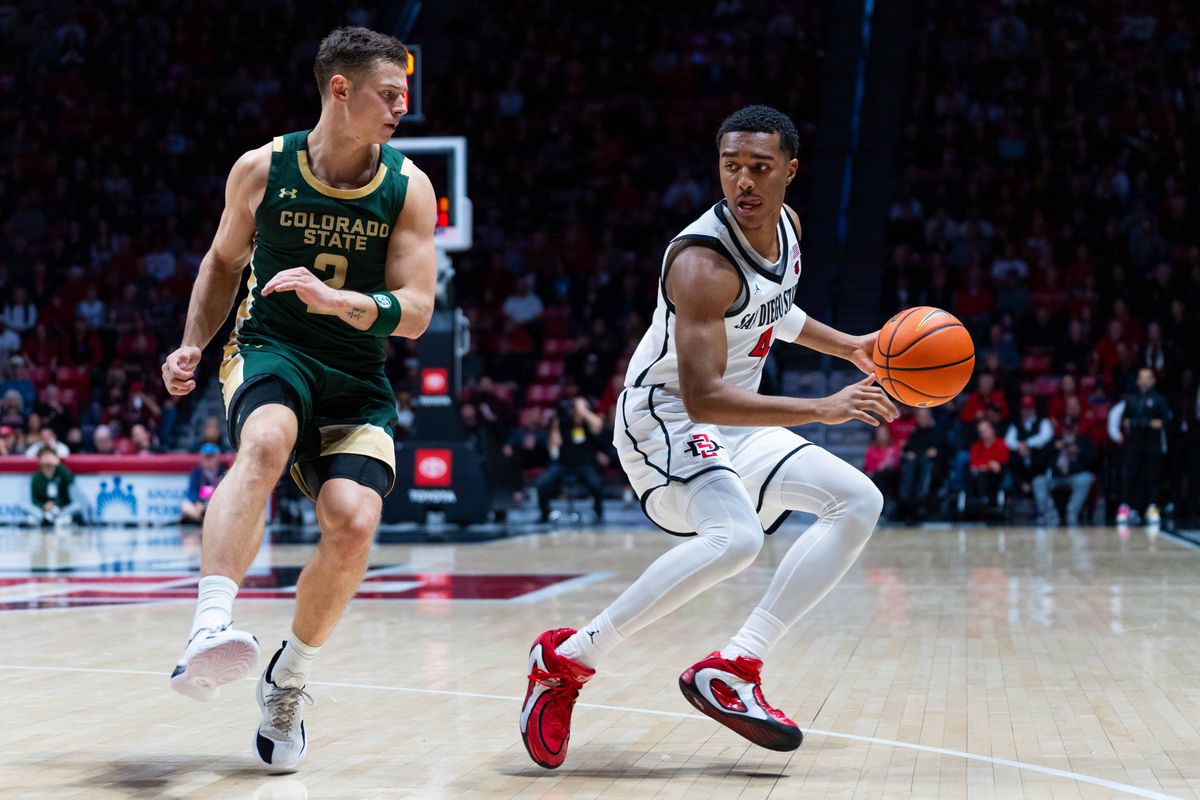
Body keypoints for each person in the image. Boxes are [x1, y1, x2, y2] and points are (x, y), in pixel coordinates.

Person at [519, 106, 895, 768]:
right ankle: (566, 660)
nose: (743, 182)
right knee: (736, 539)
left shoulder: (788, 229)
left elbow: (777, 309)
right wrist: (823, 407)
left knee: (859, 501)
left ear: (790, 172)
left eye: (759, 168)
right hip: (663, 415)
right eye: (731, 167)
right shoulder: (700, 263)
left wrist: (852, 348)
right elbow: (703, 395)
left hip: (733, 419)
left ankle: (736, 665)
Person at [159, 27, 435, 771]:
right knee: (267, 440)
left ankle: (289, 679)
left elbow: (416, 310)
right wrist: (192, 342)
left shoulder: (408, 185)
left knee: (353, 522)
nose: (402, 107)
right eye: (389, 93)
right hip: (271, 348)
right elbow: (221, 262)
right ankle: (210, 624)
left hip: (357, 377)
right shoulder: (261, 168)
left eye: (405, 95)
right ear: (339, 90)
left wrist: (337, 299)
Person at [533, 397, 606, 522]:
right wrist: (556, 424)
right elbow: (553, 447)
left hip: (584, 464)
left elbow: (598, 425)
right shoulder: (563, 421)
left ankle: (598, 512)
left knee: (596, 484)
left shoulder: (588, 423)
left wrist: (583, 411)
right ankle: (545, 514)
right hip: (562, 464)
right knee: (541, 484)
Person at [1114, 368, 1172, 526]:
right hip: (1134, 444)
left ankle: (1153, 508)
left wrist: (1140, 424)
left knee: (1153, 477)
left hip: (1152, 445)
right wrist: (1147, 424)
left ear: (1153, 380)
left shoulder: (1159, 399)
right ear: (1138, 380)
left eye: (1148, 378)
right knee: (1130, 476)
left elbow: (1166, 420)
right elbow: (1125, 422)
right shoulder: (1131, 399)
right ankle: (1126, 507)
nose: (1145, 381)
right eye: (1142, 378)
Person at [1031, 416, 1097, 526]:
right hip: (1055, 477)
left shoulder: (1083, 441)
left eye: (1071, 428)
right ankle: (1049, 515)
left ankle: (1072, 512)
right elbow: (1038, 462)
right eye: (1066, 428)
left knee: (1086, 478)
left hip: (1075, 476)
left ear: (1076, 428)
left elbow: (1094, 461)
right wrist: (1053, 448)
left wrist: (1078, 452)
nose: (1068, 432)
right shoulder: (1055, 441)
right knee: (1038, 481)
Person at [896, 408, 948, 523]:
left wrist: (936, 452)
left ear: (930, 417)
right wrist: (908, 453)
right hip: (914, 467)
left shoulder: (938, 432)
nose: (922, 419)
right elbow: (908, 449)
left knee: (926, 465)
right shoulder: (914, 433)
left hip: (933, 468)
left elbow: (946, 451)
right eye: (919, 417)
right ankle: (906, 500)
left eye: (924, 416)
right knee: (909, 466)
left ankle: (921, 500)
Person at [1003, 395, 1053, 495]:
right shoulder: (1016, 424)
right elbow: (1008, 442)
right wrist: (1020, 446)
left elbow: (1044, 438)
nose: (1026, 411)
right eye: (1024, 408)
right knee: (1012, 463)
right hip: (1021, 466)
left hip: (1040, 466)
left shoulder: (1043, 422)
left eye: (1028, 408)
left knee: (1043, 457)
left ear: (1034, 409)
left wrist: (1026, 444)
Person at [28, 447, 83, 527]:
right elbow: (34, 500)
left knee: (77, 505)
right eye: (45, 456)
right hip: (44, 509)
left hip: (61, 508)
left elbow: (70, 480)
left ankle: (55, 520)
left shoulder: (60, 472)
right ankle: (49, 519)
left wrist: (59, 464)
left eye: (49, 456)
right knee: (25, 505)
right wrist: (43, 506)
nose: (48, 460)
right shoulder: (36, 477)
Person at [968, 420, 1009, 516]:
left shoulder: (1001, 444)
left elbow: (1000, 466)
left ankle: (990, 503)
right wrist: (989, 465)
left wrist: (985, 466)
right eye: (981, 431)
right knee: (975, 475)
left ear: (992, 430)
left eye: (985, 430)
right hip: (979, 477)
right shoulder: (976, 446)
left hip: (996, 477)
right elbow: (974, 465)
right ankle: (979, 503)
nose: (983, 433)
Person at [181, 444, 227, 524]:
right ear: (202, 458)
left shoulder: (223, 473)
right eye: (206, 457)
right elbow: (192, 492)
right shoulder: (196, 472)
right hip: (201, 507)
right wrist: (197, 503)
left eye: (211, 457)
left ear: (217, 458)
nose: (209, 460)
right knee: (185, 506)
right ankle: (204, 522)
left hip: (216, 505)